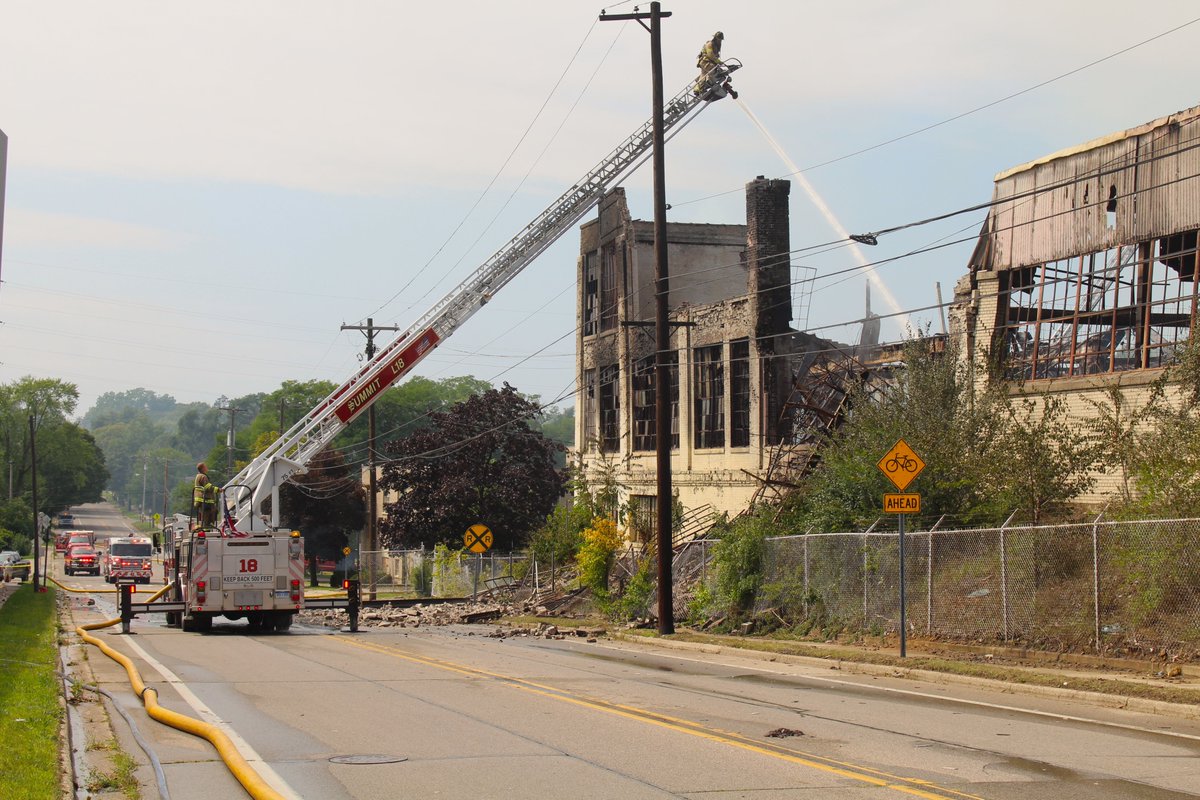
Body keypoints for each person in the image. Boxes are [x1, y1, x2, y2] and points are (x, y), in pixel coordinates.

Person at [694, 31, 724, 96]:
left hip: (708, 62)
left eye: (721, 39)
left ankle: (697, 89)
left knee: (703, 75)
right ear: (715, 38)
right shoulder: (710, 44)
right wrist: (719, 62)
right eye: (719, 39)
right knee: (713, 70)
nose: (720, 41)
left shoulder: (716, 46)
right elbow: (710, 55)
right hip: (705, 62)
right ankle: (708, 83)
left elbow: (715, 55)